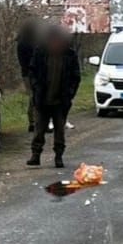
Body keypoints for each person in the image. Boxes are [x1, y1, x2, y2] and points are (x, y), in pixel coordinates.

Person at [27, 26, 81, 168]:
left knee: (59, 131)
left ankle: (58, 156)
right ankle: (35, 155)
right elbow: (32, 72)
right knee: (39, 129)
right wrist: (36, 88)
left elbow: (76, 77)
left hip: (61, 101)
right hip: (42, 99)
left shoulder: (70, 55)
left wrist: (70, 93)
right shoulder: (40, 53)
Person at [16, 19, 39, 132]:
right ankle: (34, 121)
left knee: (33, 95)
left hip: (25, 73)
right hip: (32, 73)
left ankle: (33, 121)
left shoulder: (21, 42)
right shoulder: (29, 43)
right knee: (35, 96)